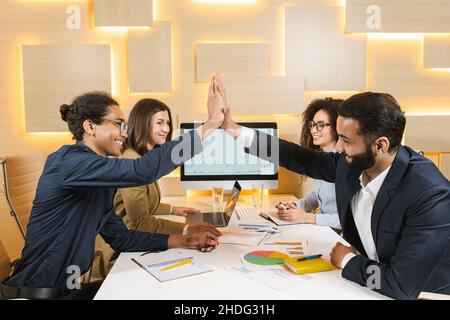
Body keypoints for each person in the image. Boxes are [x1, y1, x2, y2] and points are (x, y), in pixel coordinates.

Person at [215, 75, 450, 300]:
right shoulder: (353, 162)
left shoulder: (430, 194)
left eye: (346, 140)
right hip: (370, 286)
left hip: (422, 294)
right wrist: (233, 130)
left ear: (380, 145)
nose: (337, 148)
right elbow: (302, 158)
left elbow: (401, 285)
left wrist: (348, 261)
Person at [0, 78, 226, 300]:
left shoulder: (97, 178)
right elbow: (142, 171)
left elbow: (121, 238)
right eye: (118, 124)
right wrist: (210, 125)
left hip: (68, 290)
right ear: (90, 126)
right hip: (36, 294)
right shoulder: (69, 162)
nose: (125, 133)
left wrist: (185, 239)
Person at [92, 98, 217, 279]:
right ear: (142, 124)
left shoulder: (143, 157)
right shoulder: (132, 160)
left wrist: (172, 209)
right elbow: (139, 222)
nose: (166, 129)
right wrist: (187, 230)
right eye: (159, 123)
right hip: (119, 255)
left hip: (134, 245)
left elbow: (141, 203)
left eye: (167, 123)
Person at [276, 98, 342, 230]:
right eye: (312, 124)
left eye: (321, 125)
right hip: (325, 230)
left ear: (337, 127)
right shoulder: (320, 159)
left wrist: (306, 217)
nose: (313, 130)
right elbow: (317, 195)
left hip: (340, 237)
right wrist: (296, 206)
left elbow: (348, 220)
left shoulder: (344, 162)